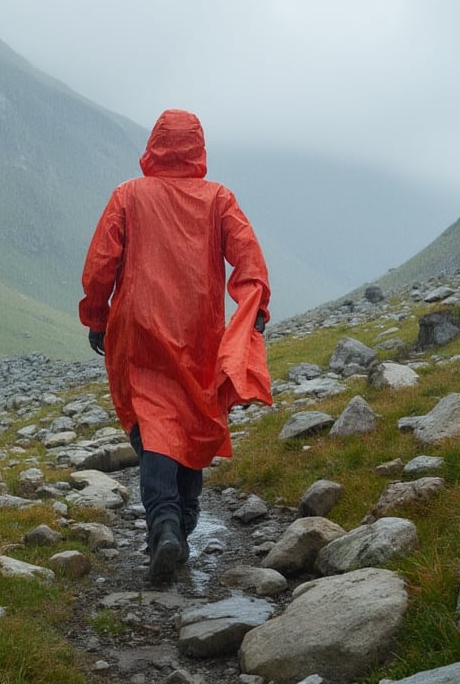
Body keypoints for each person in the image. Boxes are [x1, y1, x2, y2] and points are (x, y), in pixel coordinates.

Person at [78, 108, 273, 583]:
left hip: (138, 327)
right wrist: (255, 306)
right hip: (197, 331)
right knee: (190, 419)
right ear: (198, 147)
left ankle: (166, 524)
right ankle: (182, 519)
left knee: (154, 422)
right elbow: (246, 253)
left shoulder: (129, 195)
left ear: (155, 144)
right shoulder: (218, 199)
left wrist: (97, 316)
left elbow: (102, 261)